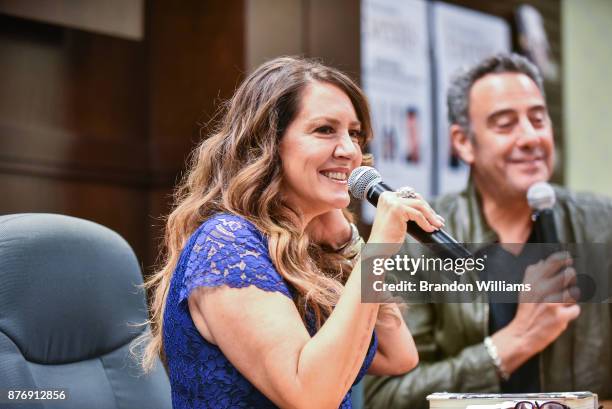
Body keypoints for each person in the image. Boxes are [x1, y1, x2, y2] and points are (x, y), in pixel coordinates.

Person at [136, 56, 447, 409]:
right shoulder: (227, 243)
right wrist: (378, 251)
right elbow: (310, 397)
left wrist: (350, 246)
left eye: (355, 133)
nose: (349, 151)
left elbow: (398, 354)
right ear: (269, 144)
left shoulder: (306, 248)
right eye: (325, 130)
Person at [364, 53, 612, 408]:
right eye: (505, 124)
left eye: (538, 119)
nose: (530, 137)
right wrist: (506, 348)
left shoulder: (603, 225)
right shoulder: (412, 237)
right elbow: (383, 398)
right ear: (463, 142)